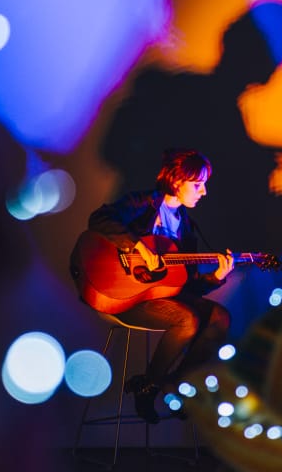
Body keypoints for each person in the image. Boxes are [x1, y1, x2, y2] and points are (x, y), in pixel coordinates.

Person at [86, 148, 234, 423]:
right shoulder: (143, 204)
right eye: (198, 184)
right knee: (186, 319)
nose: (203, 192)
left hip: (160, 299)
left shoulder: (186, 229)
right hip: (124, 297)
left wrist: (215, 277)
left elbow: (185, 287)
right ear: (177, 182)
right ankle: (152, 387)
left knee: (220, 318)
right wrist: (138, 246)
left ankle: (174, 386)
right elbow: (99, 220)